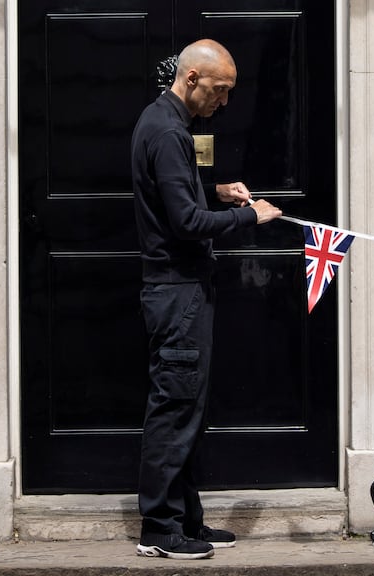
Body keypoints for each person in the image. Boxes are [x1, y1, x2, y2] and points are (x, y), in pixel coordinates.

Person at [130, 39, 282, 560]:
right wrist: (250, 215)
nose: (223, 103)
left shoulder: (165, 123)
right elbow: (185, 224)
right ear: (192, 79)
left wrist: (213, 190)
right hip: (177, 292)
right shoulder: (169, 131)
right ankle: (159, 529)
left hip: (180, 291)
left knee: (187, 408)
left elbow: (179, 199)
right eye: (219, 91)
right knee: (174, 408)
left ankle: (187, 521)